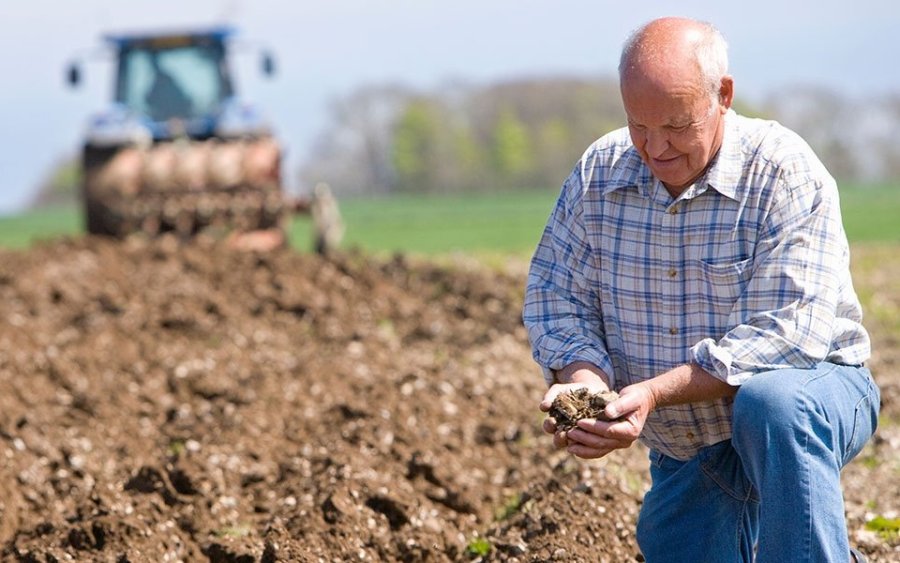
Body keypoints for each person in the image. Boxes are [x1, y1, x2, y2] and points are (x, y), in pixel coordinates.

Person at [522, 16, 880, 563]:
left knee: (771, 404)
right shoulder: (599, 174)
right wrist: (584, 379)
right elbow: (555, 294)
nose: (654, 147)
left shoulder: (783, 172)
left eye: (676, 126)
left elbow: (789, 336)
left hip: (811, 396)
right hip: (688, 444)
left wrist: (652, 392)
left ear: (723, 95)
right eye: (638, 125)